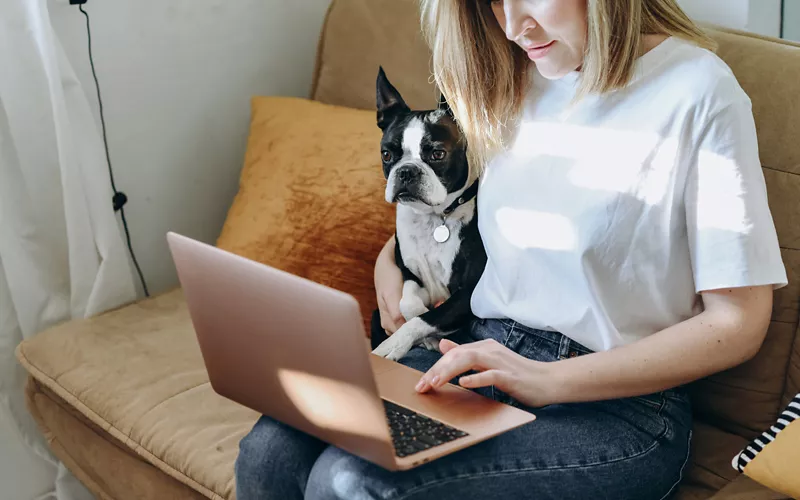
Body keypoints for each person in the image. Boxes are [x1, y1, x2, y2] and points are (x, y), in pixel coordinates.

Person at [235, 0, 788, 498]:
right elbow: (470, 208)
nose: (515, 24)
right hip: (474, 356)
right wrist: (389, 259)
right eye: (496, 0)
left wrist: (548, 380)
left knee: (349, 482)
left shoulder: (698, 91)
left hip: (617, 406)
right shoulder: (514, 72)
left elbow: (738, 321)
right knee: (273, 449)